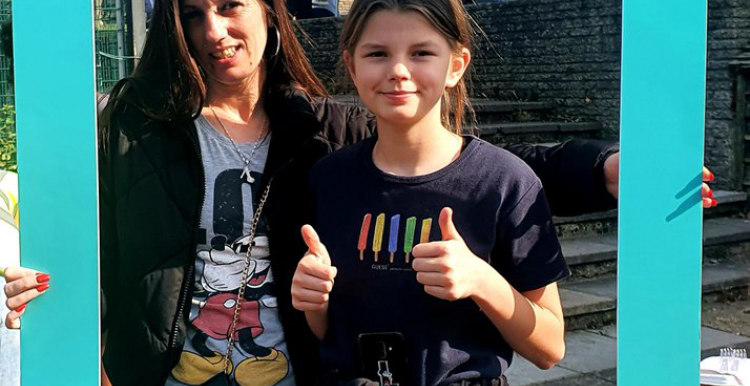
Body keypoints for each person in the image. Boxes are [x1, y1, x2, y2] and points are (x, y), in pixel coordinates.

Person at [0, 0, 715, 384]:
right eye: (191, 13)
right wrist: (39, 285)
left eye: (230, 6)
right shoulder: (134, 124)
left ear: (269, 15)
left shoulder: (318, 127)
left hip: (291, 372)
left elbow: (461, 161)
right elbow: (82, 232)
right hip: (162, 372)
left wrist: (602, 168)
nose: (213, 31)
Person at [291, 0, 565, 383]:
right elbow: (325, 332)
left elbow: (550, 348)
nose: (398, 71)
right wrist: (312, 301)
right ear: (352, 66)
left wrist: (482, 281)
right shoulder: (328, 179)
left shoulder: (506, 182)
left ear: (455, 65)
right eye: (378, 54)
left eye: (421, 53)